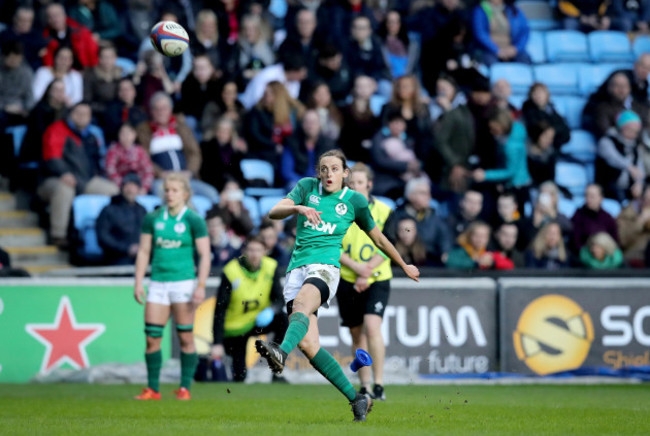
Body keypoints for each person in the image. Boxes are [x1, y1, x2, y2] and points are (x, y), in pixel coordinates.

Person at [255, 149, 419, 422]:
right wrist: (297, 207)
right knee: (309, 346)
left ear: (345, 173)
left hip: (325, 269)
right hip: (296, 270)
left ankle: (281, 353)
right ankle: (358, 400)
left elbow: (378, 239)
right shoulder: (307, 187)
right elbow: (273, 212)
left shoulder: (354, 201)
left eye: (334, 169)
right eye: (323, 169)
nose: (328, 174)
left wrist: (403, 264)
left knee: (301, 306)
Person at [133, 172, 211, 401]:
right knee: (152, 337)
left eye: (175, 190)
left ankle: (185, 387)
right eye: (167, 190)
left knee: (186, 338)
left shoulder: (194, 219)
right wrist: (138, 281)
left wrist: (201, 284)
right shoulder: (153, 218)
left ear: (185, 194)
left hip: (183, 283)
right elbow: (144, 251)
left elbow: (205, 254)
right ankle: (153, 389)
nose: (169, 194)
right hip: (158, 283)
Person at [336, 163, 393, 401]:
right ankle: (365, 385)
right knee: (356, 334)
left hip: (378, 277)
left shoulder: (385, 210)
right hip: (348, 279)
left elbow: (390, 243)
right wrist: (358, 269)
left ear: (369, 184)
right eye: (351, 184)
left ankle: (379, 384)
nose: (355, 187)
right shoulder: (338, 210)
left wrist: (366, 270)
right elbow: (332, 246)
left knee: (372, 327)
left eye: (359, 182)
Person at [38, 102, 119, 247]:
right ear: (71, 114)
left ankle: (110, 235)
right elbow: (52, 158)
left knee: (113, 191)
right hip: (54, 179)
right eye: (78, 113)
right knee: (64, 189)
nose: (82, 117)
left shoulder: (92, 135)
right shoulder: (57, 129)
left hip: (84, 180)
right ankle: (58, 235)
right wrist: (64, 173)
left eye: (86, 114)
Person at [211, 236, 288, 382]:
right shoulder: (231, 271)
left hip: (259, 320)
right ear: (244, 251)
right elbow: (220, 309)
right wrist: (217, 343)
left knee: (283, 320)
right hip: (236, 328)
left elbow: (279, 299)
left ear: (264, 252)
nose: (254, 254)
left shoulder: (270, 267)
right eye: (251, 250)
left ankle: (276, 368)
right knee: (240, 376)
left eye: (258, 250)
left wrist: (271, 310)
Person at [96, 173, 147, 265]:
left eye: (133, 186)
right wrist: (127, 248)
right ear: (122, 188)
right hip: (117, 258)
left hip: (141, 256)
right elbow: (103, 237)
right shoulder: (109, 210)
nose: (130, 190)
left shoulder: (142, 210)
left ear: (139, 189)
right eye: (127, 186)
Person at [596, 110, 646, 201]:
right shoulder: (607, 141)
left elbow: (640, 168)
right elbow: (613, 158)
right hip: (608, 188)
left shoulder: (636, 146)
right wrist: (629, 167)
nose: (633, 135)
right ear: (621, 128)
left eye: (636, 132)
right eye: (630, 130)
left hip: (628, 190)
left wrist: (639, 183)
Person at [471, 0, 531, 66]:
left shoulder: (514, 10)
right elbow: (480, 33)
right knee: (490, 62)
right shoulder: (480, 10)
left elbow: (524, 32)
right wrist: (497, 50)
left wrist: (515, 49)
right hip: (490, 50)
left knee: (525, 60)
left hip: (511, 49)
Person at [105, 123, 154, 194]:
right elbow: (110, 169)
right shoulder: (113, 150)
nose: (126, 136)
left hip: (139, 185)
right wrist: (122, 186)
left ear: (134, 135)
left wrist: (144, 188)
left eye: (128, 133)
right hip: (119, 185)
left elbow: (148, 170)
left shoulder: (140, 150)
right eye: (123, 133)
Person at [570, 184, 619, 253]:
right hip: (584, 257)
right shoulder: (578, 216)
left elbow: (614, 242)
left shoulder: (608, 218)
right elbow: (575, 242)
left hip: (605, 257)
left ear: (601, 198)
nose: (588, 199)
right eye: (586, 195)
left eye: (592, 196)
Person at [446, 221, 514, 270]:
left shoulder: (490, 254)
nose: (480, 239)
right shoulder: (459, 252)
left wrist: (493, 263)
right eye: (476, 235)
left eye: (484, 236)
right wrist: (476, 263)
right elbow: (451, 261)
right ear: (470, 236)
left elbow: (509, 265)